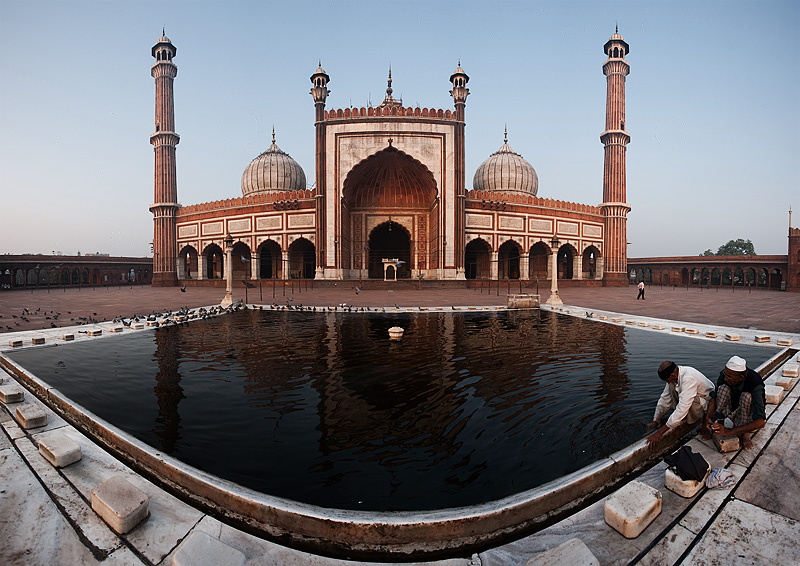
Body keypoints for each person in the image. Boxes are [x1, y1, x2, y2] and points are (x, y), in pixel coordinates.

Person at [701, 355, 765, 450]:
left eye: (729, 377)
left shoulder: (755, 382)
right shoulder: (725, 375)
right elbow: (714, 398)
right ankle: (719, 423)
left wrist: (730, 431)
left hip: (746, 411)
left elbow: (761, 422)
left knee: (746, 396)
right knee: (723, 388)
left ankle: (744, 434)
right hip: (732, 405)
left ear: (741, 378)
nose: (725, 378)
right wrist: (708, 418)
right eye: (725, 374)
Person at [647, 361, 715, 450]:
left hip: (706, 402)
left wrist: (660, 432)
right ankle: (680, 418)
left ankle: (699, 420)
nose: (667, 383)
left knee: (688, 401)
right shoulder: (675, 375)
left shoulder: (688, 378)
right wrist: (655, 420)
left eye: (667, 380)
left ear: (673, 376)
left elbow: (683, 406)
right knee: (672, 387)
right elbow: (664, 399)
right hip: (694, 399)